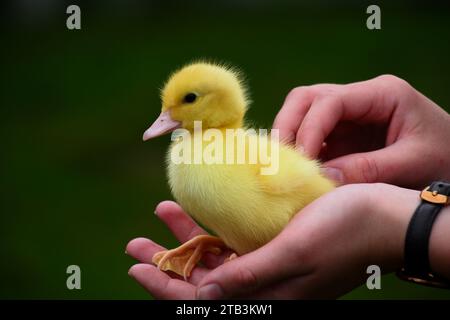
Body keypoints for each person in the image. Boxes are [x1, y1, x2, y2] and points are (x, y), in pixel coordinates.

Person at [126, 75, 450, 299]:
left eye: (188, 100)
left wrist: (393, 226)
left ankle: (234, 248)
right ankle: (223, 244)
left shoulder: (244, 154)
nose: (165, 118)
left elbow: (288, 186)